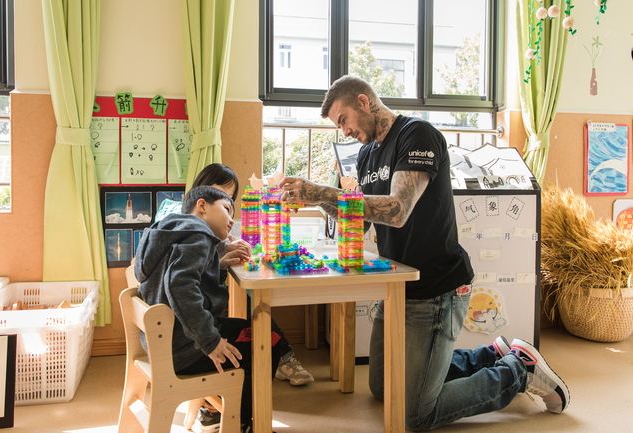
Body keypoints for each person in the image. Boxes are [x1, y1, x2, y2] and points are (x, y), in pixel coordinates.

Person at [278, 75, 570, 431]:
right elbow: (365, 220)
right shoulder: (368, 154)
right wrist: (318, 199)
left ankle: (517, 372)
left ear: (363, 102)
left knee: (414, 414)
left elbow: (398, 211)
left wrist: (324, 190)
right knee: (383, 385)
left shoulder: (417, 135)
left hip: (436, 289)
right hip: (397, 286)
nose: (344, 131)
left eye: (343, 120)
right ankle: (490, 355)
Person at [135, 186, 291, 433]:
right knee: (268, 338)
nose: (231, 220)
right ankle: (243, 423)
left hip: (163, 344)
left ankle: (221, 414)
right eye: (227, 209)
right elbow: (179, 285)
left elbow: (177, 280)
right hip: (187, 348)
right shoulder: (198, 234)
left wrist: (215, 267)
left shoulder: (171, 231)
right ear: (202, 205)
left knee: (264, 330)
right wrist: (210, 341)